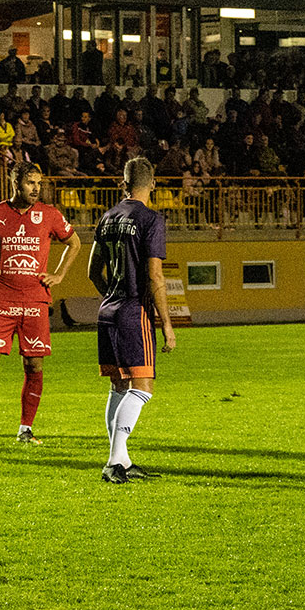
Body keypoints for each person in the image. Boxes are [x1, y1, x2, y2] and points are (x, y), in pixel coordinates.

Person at [0, 163, 79, 446]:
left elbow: (75, 242)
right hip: (2, 298)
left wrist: (59, 274)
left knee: (34, 365)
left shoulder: (49, 215)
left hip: (36, 300)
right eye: (30, 183)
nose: (36, 188)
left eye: (39, 183)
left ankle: (26, 430)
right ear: (15, 183)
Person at [89, 156, 177, 483]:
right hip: (133, 311)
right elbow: (155, 275)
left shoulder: (108, 217)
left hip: (108, 311)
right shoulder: (152, 219)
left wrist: (112, 291)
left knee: (118, 386)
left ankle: (122, 460)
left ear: (122, 183)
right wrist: (167, 323)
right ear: (153, 184)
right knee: (142, 387)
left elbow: (91, 272)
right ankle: (113, 461)